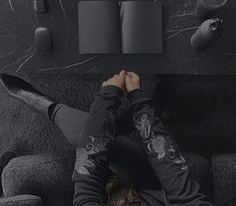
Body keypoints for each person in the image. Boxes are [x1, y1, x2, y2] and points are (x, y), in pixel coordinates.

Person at [0, 71, 213, 206]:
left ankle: (45, 105)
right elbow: (183, 190)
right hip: (158, 188)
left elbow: (89, 178)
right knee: (113, 135)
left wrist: (107, 97)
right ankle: (141, 113)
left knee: (91, 133)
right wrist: (140, 102)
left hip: (114, 192)